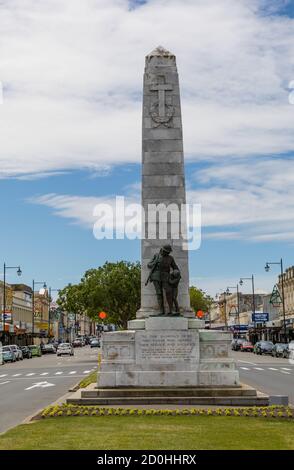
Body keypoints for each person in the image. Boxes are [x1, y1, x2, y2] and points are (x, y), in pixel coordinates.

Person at [146, 244, 181, 315]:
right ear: (162, 250)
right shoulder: (156, 256)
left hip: (166, 276)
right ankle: (161, 310)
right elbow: (149, 265)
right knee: (159, 293)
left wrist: (177, 274)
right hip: (156, 276)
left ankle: (171, 310)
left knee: (169, 292)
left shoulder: (170, 258)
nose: (166, 253)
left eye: (168, 252)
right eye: (165, 251)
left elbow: (175, 267)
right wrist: (154, 263)